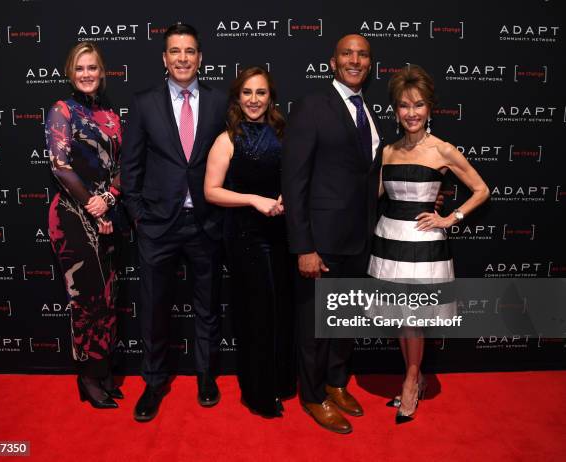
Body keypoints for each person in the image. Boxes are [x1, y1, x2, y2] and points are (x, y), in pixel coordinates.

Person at [368, 64, 489, 423]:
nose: (411, 113)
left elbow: (481, 189)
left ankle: (409, 381)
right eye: (404, 106)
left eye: (418, 105)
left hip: (424, 245)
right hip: (388, 240)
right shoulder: (387, 151)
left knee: (414, 317)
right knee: (399, 317)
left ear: (430, 109)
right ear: (395, 110)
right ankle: (415, 374)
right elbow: (371, 195)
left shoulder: (443, 150)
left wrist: (451, 218)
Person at [120, 23, 228, 422]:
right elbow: (130, 166)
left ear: (200, 58)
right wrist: (137, 215)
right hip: (157, 224)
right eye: (175, 51)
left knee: (207, 307)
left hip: (205, 222)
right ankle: (153, 382)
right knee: (153, 309)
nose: (183, 58)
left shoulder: (219, 103)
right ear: (164, 59)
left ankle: (205, 376)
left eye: (190, 51)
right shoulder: (145, 102)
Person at [282, 34, 384, 434]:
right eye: (347, 54)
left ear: (370, 64)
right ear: (333, 62)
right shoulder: (312, 106)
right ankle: (312, 395)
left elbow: (366, 175)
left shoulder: (368, 110)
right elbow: (294, 182)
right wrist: (303, 245)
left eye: (362, 55)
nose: (354, 60)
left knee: (346, 320)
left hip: (360, 238)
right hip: (321, 241)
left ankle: (336, 382)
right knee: (315, 326)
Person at [204, 66, 296, 417]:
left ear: (270, 96)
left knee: (282, 310)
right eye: (247, 93)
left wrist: (286, 197)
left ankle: (283, 383)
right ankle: (258, 393)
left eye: (261, 93)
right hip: (245, 235)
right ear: (237, 97)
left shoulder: (284, 132)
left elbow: (295, 175)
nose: (254, 100)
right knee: (255, 313)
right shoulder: (227, 138)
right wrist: (253, 199)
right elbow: (210, 191)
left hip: (282, 231)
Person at [46, 41, 123, 409]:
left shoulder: (111, 114)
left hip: (105, 213)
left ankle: (104, 370)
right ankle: (88, 377)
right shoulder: (62, 111)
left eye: (92, 67)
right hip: (72, 216)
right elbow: (60, 165)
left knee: (108, 297)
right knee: (86, 299)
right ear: (70, 73)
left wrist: (107, 199)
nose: (87, 74)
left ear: (102, 71)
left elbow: (123, 167)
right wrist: (94, 207)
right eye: (80, 68)